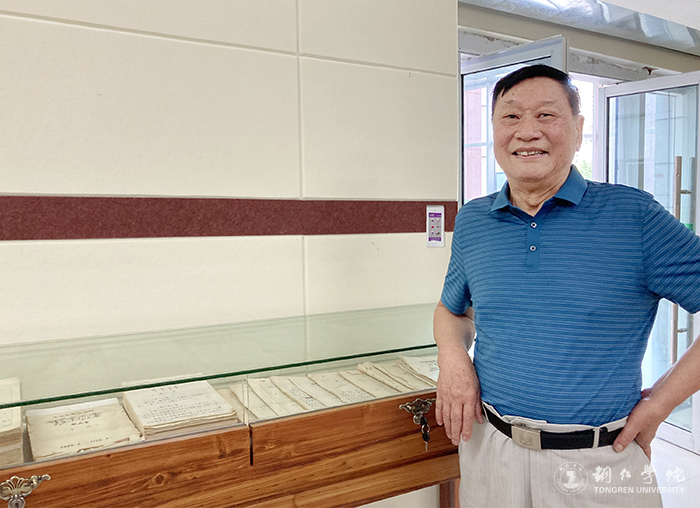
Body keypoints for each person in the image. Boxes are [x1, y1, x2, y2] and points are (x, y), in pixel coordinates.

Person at [434, 64, 700, 508]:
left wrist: (662, 402)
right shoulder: (474, 221)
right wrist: (453, 357)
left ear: (578, 129)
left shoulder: (633, 217)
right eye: (511, 116)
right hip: (490, 450)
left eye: (546, 115)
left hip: (598, 460)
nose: (527, 131)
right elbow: (451, 310)